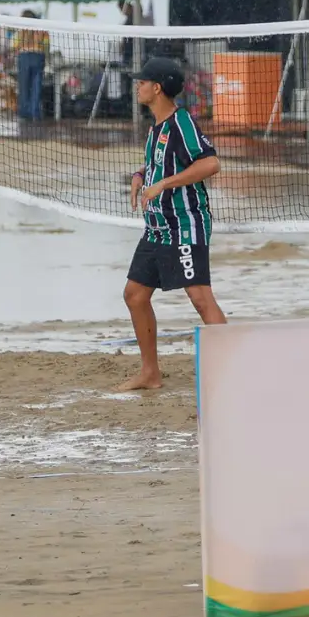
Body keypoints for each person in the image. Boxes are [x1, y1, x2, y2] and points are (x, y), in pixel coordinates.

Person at [121, 56, 225, 390]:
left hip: (184, 224)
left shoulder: (181, 123)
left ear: (157, 87)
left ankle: (237, 368)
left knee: (200, 299)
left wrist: (164, 184)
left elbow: (210, 164)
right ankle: (150, 373)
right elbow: (157, 163)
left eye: (142, 82)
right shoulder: (158, 125)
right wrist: (140, 175)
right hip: (157, 227)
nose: (137, 86)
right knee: (135, 295)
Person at [15, 8, 50, 125]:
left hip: (24, 56)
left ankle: (25, 113)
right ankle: (35, 113)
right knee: (36, 86)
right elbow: (46, 44)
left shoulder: (21, 30)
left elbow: (15, 44)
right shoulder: (42, 29)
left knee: (24, 87)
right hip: (38, 56)